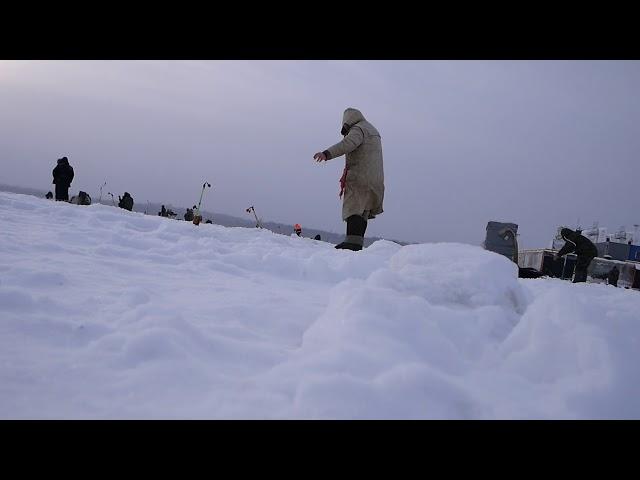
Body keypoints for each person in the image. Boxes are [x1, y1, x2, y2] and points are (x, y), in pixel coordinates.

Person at [314, 108, 384, 251]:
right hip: (376, 179)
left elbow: (347, 144)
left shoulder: (358, 129)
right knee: (363, 211)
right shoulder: (373, 130)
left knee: (353, 209)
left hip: (360, 177)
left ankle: (352, 244)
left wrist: (326, 154)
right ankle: (357, 243)